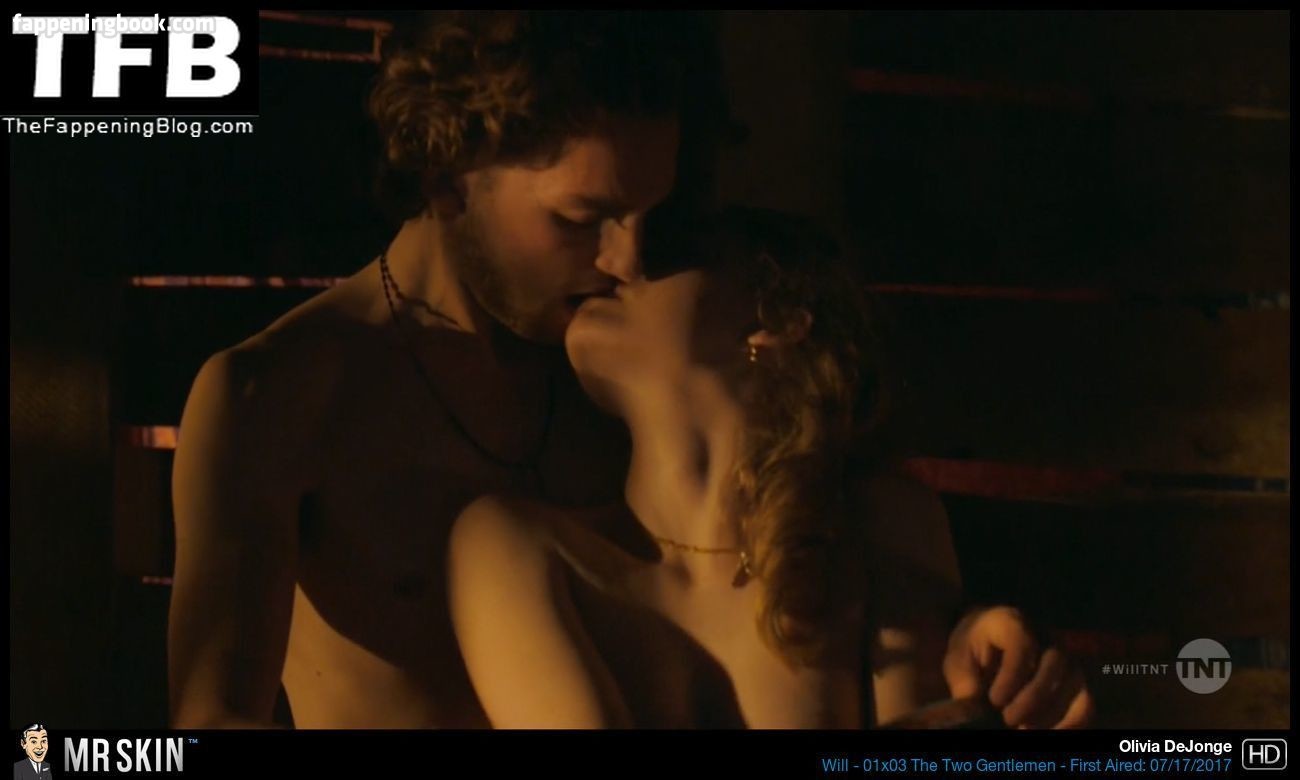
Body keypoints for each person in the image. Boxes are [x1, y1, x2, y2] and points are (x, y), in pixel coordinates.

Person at [167, 11, 731, 728]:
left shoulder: (627, 374)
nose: (625, 259)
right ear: (447, 180)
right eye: (579, 218)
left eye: (648, 215)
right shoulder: (283, 397)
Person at [448, 208, 1095, 728]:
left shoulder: (879, 530)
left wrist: (992, 707)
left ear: (777, 321)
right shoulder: (516, 548)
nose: (614, 261)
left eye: (668, 246)